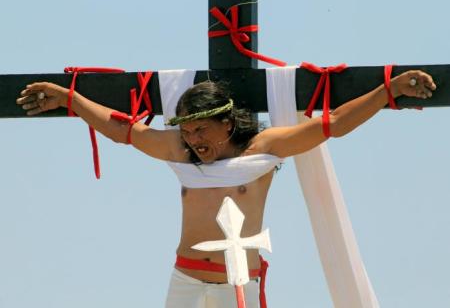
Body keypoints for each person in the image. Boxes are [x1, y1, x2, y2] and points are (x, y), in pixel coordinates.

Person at [16, 70, 436, 308]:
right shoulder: (178, 150)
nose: (194, 138)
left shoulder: (265, 147)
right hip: (185, 279)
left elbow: (334, 123)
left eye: (202, 129)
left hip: (241, 281)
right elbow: (123, 130)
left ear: (228, 123)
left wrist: (388, 91)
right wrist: (68, 98)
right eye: (188, 130)